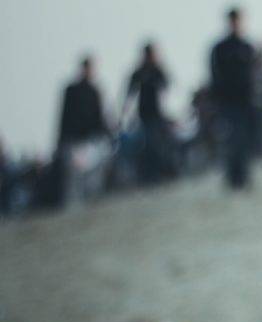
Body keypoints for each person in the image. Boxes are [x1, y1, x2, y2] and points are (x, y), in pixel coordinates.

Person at [210, 7, 256, 189]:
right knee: (232, 140)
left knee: (245, 140)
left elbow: (253, 74)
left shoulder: (247, 47)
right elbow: (215, 76)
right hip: (227, 103)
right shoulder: (220, 49)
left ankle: (244, 178)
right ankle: (233, 179)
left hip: (246, 102)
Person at [57, 56, 112, 204]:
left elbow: (99, 116)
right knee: (75, 177)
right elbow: (64, 116)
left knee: (93, 177)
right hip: (75, 142)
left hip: (91, 141)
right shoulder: (72, 91)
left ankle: (91, 201)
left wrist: (107, 133)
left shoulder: (94, 91)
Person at [124, 42, 178, 184]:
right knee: (149, 145)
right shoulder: (139, 73)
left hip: (158, 114)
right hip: (145, 115)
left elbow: (168, 87)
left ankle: (163, 172)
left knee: (161, 144)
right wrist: (125, 114)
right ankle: (151, 174)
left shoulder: (158, 71)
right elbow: (130, 93)